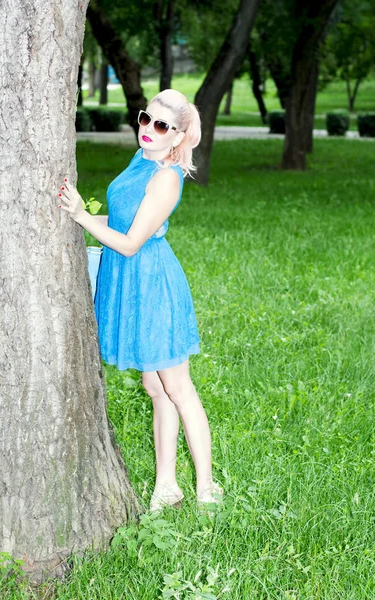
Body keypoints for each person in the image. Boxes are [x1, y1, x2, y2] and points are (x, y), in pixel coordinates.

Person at [58, 89, 223, 512]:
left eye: (162, 126)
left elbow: (130, 243)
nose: (149, 130)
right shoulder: (141, 160)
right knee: (155, 386)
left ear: (179, 136)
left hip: (150, 283)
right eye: (145, 119)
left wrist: (79, 217)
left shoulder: (166, 177)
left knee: (179, 387)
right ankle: (167, 484)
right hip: (130, 281)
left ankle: (208, 486)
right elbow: (116, 222)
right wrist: (73, 216)